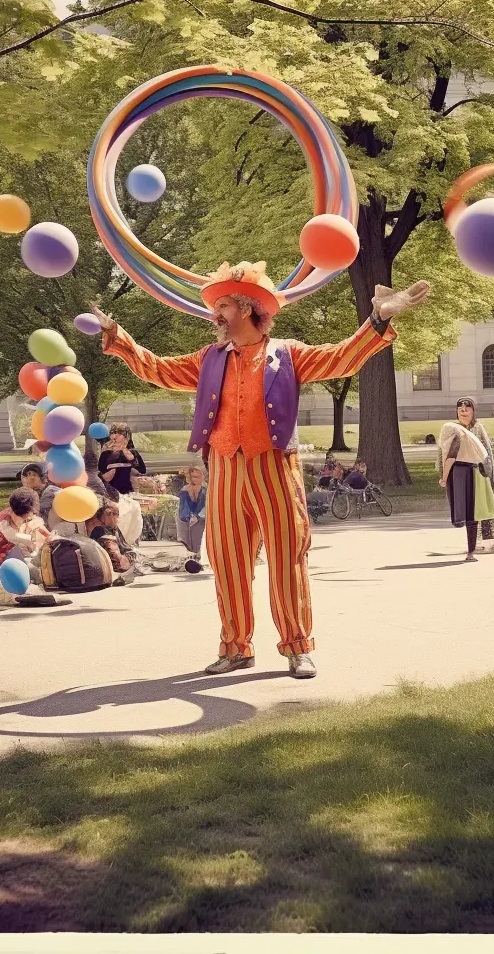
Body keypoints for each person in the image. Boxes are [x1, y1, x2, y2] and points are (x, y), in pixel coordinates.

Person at [93, 260, 430, 678]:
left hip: (274, 469)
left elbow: (342, 358)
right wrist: (118, 337)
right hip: (225, 470)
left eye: (225, 307)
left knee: (288, 558)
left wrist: (378, 319)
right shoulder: (209, 358)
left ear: (251, 309)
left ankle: (297, 647)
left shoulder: (287, 354)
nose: (215, 315)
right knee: (228, 561)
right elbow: (159, 369)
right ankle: (236, 648)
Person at [437, 406, 494, 563]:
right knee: (464, 510)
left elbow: (487, 451)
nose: (463, 412)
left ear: (473, 411)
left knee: (476, 509)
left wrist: (490, 473)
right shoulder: (452, 429)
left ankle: (474, 548)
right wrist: (443, 473)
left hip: (476, 471)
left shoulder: (477, 428)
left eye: (467, 409)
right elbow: (444, 452)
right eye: (460, 409)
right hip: (457, 472)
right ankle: (472, 547)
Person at [0, 487, 50, 571]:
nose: (26, 519)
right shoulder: (3, 522)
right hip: (4, 557)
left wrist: (48, 536)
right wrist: (33, 541)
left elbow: (37, 524)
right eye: (25, 517)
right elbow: (14, 537)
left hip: (19, 551)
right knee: (31, 568)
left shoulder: (19, 513)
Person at [86, 497, 135, 583]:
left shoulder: (106, 528)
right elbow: (118, 563)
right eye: (117, 514)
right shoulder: (103, 531)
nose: (118, 519)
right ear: (109, 514)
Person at [98, 426, 146, 495]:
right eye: (113, 433)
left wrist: (131, 459)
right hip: (111, 492)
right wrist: (104, 477)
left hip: (129, 492)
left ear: (127, 437)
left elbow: (142, 470)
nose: (115, 435)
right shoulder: (105, 454)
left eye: (119, 433)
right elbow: (99, 473)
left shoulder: (133, 453)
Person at [176, 464, 208, 555]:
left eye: (197, 477)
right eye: (193, 477)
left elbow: (207, 505)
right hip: (186, 520)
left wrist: (198, 516)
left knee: (200, 542)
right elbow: (183, 506)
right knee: (186, 542)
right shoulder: (185, 489)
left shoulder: (207, 489)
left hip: (202, 520)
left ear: (203, 476)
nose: (195, 479)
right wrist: (189, 516)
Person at [19, 462, 62, 529]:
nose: (29, 478)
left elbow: (39, 517)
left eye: (34, 475)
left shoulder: (51, 493)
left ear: (44, 479)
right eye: (27, 475)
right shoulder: (34, 493)